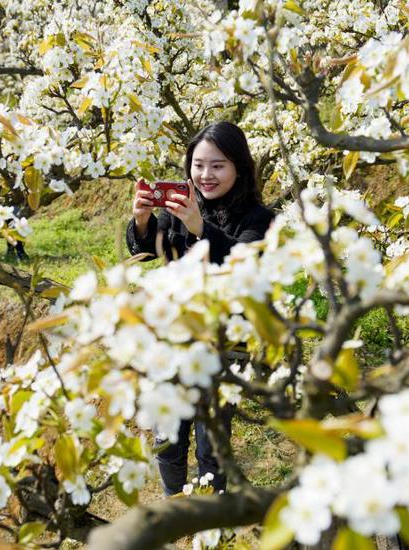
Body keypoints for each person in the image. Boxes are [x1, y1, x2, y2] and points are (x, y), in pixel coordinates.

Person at [125, 121, 275, 495]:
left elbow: (245, 264)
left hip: (226, 343)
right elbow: (149, 250)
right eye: (198, 164)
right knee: (168, 438)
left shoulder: (260, 217)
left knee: (211, 447)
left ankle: (210, 518)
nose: (206, 175)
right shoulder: (178, 206)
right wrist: (142, 220)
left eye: (218, 165)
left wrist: (200, 229)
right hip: (174, 336)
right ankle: (174, 506)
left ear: (239, 167)